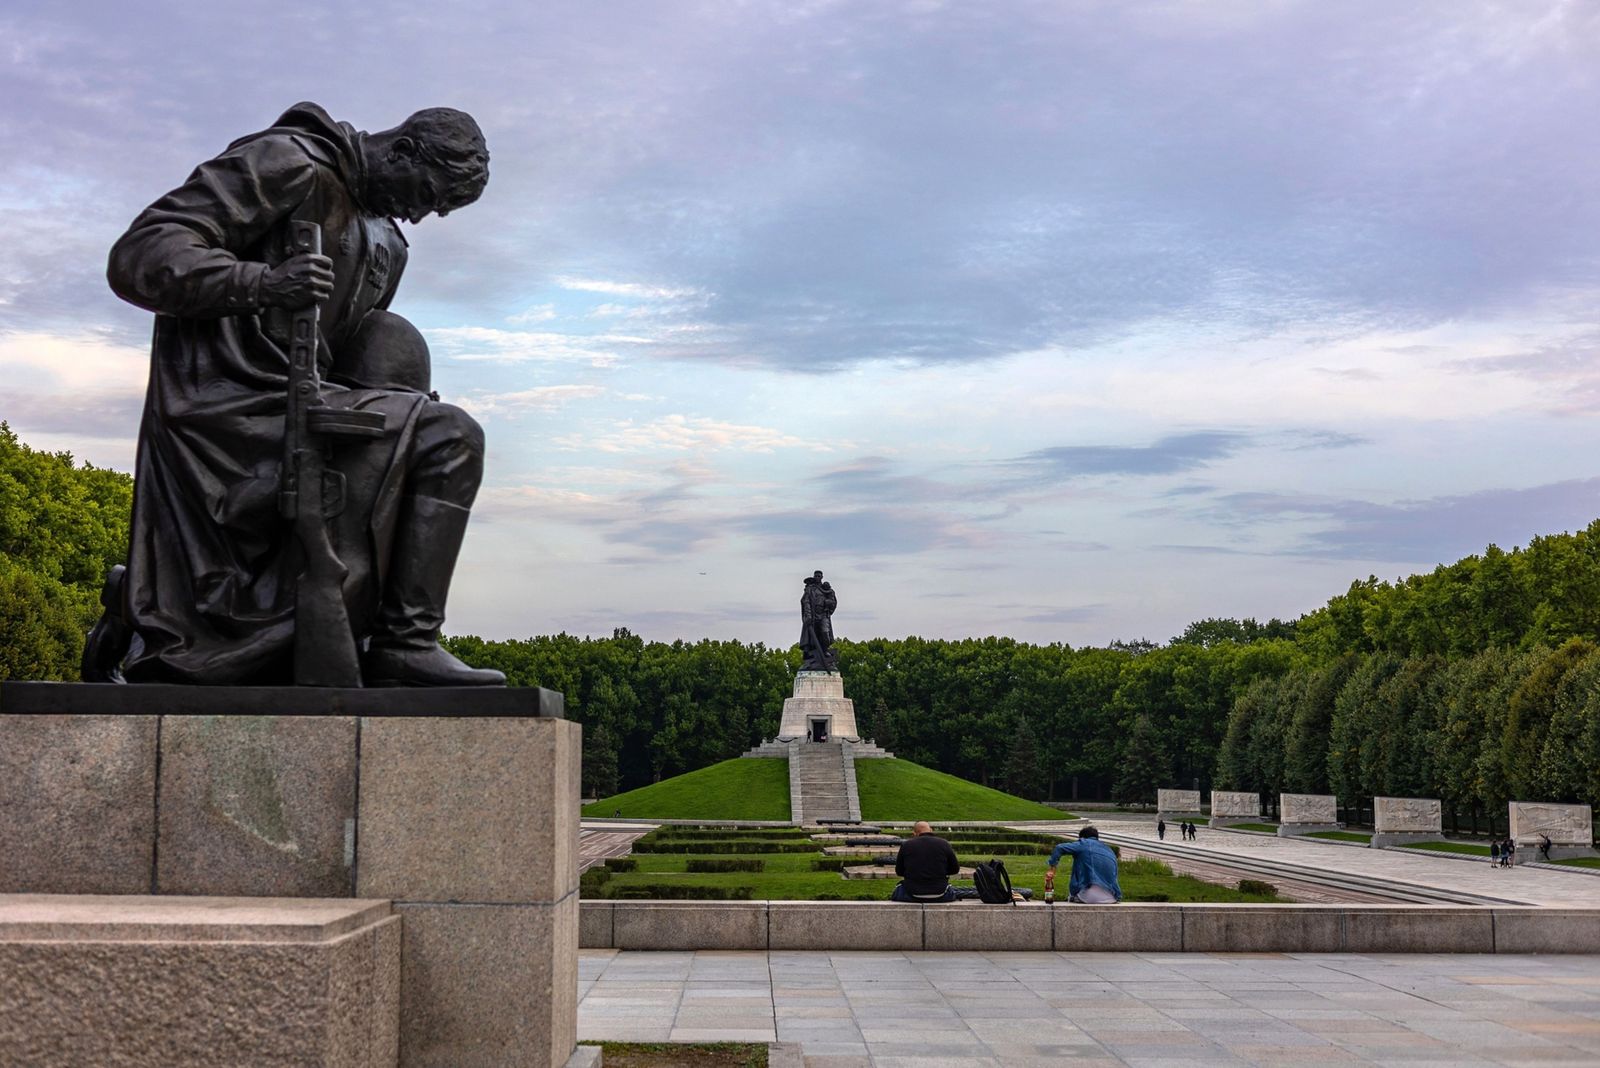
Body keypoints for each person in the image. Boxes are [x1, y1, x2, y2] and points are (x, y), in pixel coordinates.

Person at [96, 102, 502, 687]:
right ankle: (403, 643)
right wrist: (261, 283)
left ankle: (398, 639)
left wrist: (404, 396)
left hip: (310, 406)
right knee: (451, 436)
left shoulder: (389, 241)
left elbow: (354, 349)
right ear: (405, 150)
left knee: (434, 431)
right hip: (223, 411)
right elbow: (140, 256)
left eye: (440, 208)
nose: (423, 214)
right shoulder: (288, 162)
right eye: (428, 192)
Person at [1045, 825, 1122, 903]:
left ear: (1081, 838)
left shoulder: (1083, 843)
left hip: (1088, 897)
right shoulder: (1109, 850)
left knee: (1073, 895)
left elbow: (1059, 848)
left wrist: (1052, 869)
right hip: (1112, 897)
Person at [891, 821, 959, 903]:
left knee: (898, 889)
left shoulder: (906, 845)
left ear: (914, 833)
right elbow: (955, 869)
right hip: (940, 893)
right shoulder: (944, 843)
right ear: (931, 830)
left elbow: (899, 871)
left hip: (912, 893)